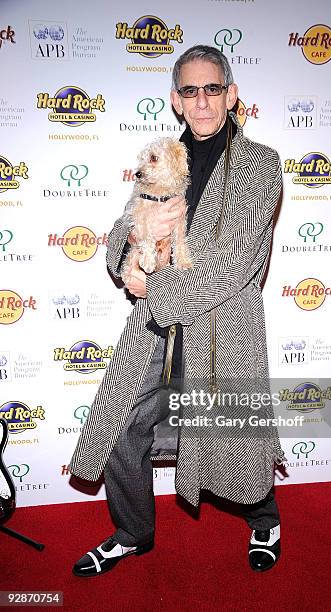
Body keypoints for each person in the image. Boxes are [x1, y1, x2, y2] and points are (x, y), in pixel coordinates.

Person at [69, 44, 286, 577]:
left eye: (214, 88)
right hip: (154, 331)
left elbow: (235, 263)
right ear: (176, 100)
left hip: (224, 328)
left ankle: (265, 520)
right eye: (192, 90)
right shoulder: (163, 160)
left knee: (235, 438)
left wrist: (156, 284)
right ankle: (132, 532)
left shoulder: (260, 164)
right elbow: (123, 231)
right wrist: (127, 265)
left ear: (232, 95)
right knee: (120, 422)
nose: (204, 101)